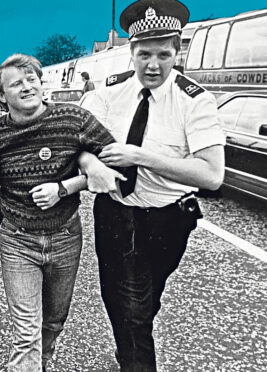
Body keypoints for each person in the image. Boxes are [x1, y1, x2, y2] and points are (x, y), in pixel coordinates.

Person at [80, 1, 225, 370]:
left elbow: (211, 174)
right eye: (144, 54)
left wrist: (140, 157)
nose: (153, 65)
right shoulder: (109, 94)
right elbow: (78, 142)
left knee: (139, 306)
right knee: (127, 307)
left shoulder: (195, 102)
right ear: (131, 52)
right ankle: (132, 357)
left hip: (166, 221)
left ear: (178, 51)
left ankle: (129, 350)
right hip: (114, 215)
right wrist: (89, 163)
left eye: (164, 54)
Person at [0, 53, 121, 372]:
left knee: (53, 322)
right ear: (1, 95)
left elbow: (114, 164)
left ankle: (43, 360)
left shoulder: (74, 119)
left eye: (32, 79)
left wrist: (65, 188)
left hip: (65, 235)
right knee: (27, 332)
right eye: (17, 83)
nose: (27, 87)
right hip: (17, 240)